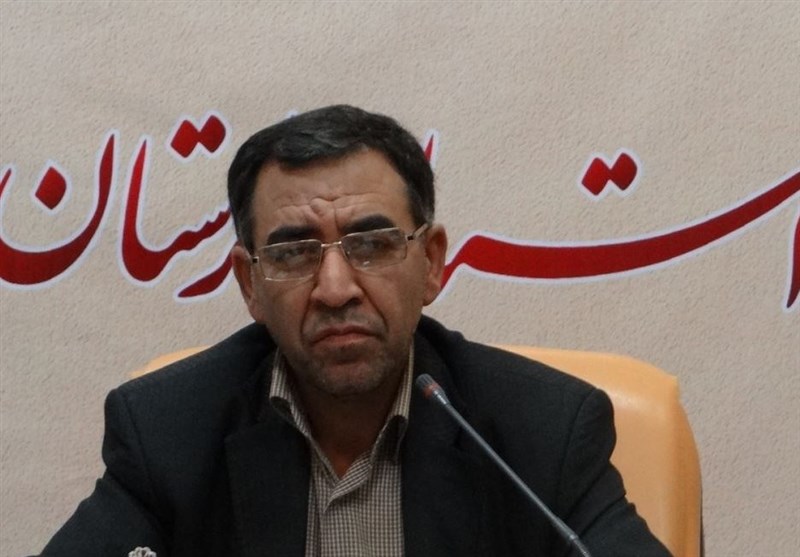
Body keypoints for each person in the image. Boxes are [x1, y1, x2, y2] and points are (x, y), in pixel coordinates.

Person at [35, 105, 671, 556]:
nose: (336, 288)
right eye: (293, 253)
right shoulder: (168, 433)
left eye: (372, 244)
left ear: (432, 262)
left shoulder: (544, 433)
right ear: (250, 284)